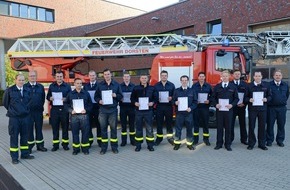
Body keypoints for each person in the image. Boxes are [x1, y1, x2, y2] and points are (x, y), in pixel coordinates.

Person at [3, 73, 34, 164]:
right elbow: (5, 103)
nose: (21, 82)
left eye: (22, 80)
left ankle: (24, 154)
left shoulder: (27, 90)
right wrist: (13, 111)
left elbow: (30, 102)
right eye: (19, 80)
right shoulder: (10, 90)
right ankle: (14, 157)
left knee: (25, 136)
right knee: (14, 137)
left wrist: (26, 110)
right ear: (15, 80)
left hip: (25, 118)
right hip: (14, 119)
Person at [94, 68, 123, 155]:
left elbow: (120, 96)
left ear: (111, 75)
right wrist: (99, 101)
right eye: (105, 74)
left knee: (113, 130)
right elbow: (96, 97)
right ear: (103, 76)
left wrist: (115, 95)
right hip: (103, 110)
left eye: (108, 74)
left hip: (112, 110)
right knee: (103, 130)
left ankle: (114, 147)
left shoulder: (116, 85)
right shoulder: (100, 85)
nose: (107, 76)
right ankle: (104, 148)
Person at [212, 70, 239, 151]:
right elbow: (212, 98)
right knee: (219, 128)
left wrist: (232, 105)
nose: (225, 77)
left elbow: (236, 98)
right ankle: (219, 144)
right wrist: (215, 104)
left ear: (229, 77)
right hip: (219, 111)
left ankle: (228, 144)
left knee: (228, 128)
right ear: (221, 77)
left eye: (226, 76)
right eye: (223, 76)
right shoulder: (217, 87)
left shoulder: (233, 87)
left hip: (229, 111)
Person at [131, 74, 157, 152]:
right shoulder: (136, 88)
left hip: (148, 111)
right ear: (140, 79)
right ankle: (138, 145)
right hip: (138, 111)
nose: (144, 79)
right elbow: (132, 98)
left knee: (149, 129)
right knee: (138, 128)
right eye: (142, 78)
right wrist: (135, 103)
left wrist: (152, 103)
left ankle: (150, 145)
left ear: (147, 79)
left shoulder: (152, 88)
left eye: (145, 78)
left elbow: (156, 98)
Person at [246, 71, 271, 150]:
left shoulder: (266, 85)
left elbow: (270, 96)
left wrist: (266, 99)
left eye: (259, 76)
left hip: (263, 109)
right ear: (253, 77)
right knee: (251, 126)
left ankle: (262, 144)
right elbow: (245, 97)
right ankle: (251, 143)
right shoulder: (249, 86)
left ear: (261, 76)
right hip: (252, 110)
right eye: (256, 76)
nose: (257, 77)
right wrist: (249, 99)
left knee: (262, 127)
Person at [46, 71, 71, 151]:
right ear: (55, 77)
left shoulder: (67, 86)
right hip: (55, 110)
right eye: (58, 76)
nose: (59, 78)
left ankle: (65, 144)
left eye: (60, 76)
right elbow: (48, 96)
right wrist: (50, 98)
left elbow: (70, 97)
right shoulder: (52, 86)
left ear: (63, 77)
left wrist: (66, 99)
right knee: (55, 128)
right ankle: (55, 145)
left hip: (64, 109)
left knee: (65, 128)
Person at [66, 78, 92, 155]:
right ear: (74, 84)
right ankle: (76, 149)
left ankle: (85, 149)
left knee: (85, 133)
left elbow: (90, 104)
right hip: (74, 116)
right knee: (75, 133)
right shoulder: (70, 94)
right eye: (77, 83)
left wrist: (86, 110)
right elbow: (66, 104)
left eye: (80, 83)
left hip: (84, 116)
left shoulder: (86, 93)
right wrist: (71, 110)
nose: (79, 85)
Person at [24, 70, 47, 153]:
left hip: (38, 112)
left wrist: (40, 106)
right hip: (28, 113)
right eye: (31, 76)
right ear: (28, 77)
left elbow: (43, 98)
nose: (32, 77)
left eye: (34, 76)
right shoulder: (25, 87)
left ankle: (40, 146)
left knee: (39, 129)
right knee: (29, 129)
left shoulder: (40, 86)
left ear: (36, 77)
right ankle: (29, 147)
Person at [172, 75, 197, 151]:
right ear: (180, 81)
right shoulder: (176, 91)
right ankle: (177, 144)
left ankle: (189, 144)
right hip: (179, 114)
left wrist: (191, 108)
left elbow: (195, 102)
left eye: (185, 80)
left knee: (189, 129)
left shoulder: (192, 91)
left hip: (188, 113)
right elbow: (172, 101)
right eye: (182, 80)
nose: (184, 82)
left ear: (188, 81)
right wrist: (175, 102)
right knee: (178, 129)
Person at [266, 70, 289, 147]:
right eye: (276, 75)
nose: (278, 76)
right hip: (271, 108)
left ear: (281, 76)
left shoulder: (285, 85)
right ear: (273, 76)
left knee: (281, 125)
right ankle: (269, 140)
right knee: (270, 125)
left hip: (282, 108)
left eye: (279, 75)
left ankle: (280, 140)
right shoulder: (269, 85)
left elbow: (287, 95)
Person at [154, 70, 175, 146]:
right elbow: (154, 96)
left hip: (168, 107)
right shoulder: (156, 85)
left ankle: (170, 138)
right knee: (159, 123)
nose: (164, 76)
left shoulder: (171, 85)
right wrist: (157, 99)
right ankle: (159, 138)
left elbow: (174, 96)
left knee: (169, 123)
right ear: (160, 76)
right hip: (159, 107)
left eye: (165, 75)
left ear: (167, 76)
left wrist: (171, 98)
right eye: (162, 75)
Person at [191, 72, 212, 146]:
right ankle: (195, 140)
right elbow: (191, 96)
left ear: (205, 77)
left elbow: (212, 96)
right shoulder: (194, 86)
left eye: (203, 76)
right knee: (196, 124)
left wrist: (209, 100)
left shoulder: (208, 86)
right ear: (198, 77)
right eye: (200, 76)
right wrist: (195, 101)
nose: (202, 78)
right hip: (196, 108)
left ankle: (206, 139)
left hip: (205, 108)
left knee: (205, 124)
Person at [83, 70, 102, 147]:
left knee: (99, 125)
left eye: (93, 75)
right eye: (90, 75)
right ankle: (90, 141)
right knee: (88, 125)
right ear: (88, 76)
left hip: (98, 108)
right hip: (89, 109)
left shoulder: (100, 85)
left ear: (96, 76)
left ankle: (100, 141)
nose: (92, 77)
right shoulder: (85, 86)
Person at [230, 70, 248, 145]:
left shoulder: (245, 84)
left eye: (238, 74)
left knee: (243, 124)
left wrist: (244, 103)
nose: (237, 75)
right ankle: (230, 139)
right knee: (231, 124)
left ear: (240, 75)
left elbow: (247, 95)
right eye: (235, 74)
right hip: (232, 107)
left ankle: (244, 139)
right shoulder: (229, 84)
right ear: (233, 75)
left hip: (241, 107)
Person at [119, 72, 136, 146]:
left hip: (132, 108)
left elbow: (136, 96)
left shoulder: (133, 86)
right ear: (123, 78)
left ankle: (132, 140)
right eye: (125, 77)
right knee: (123, 125)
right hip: (123, 108)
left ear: (130, 77)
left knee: (132, 125)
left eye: (127, 77)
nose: (126, 78)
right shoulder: (119, 86)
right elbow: (118, 96)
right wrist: (120, 99)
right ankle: (124, 141)